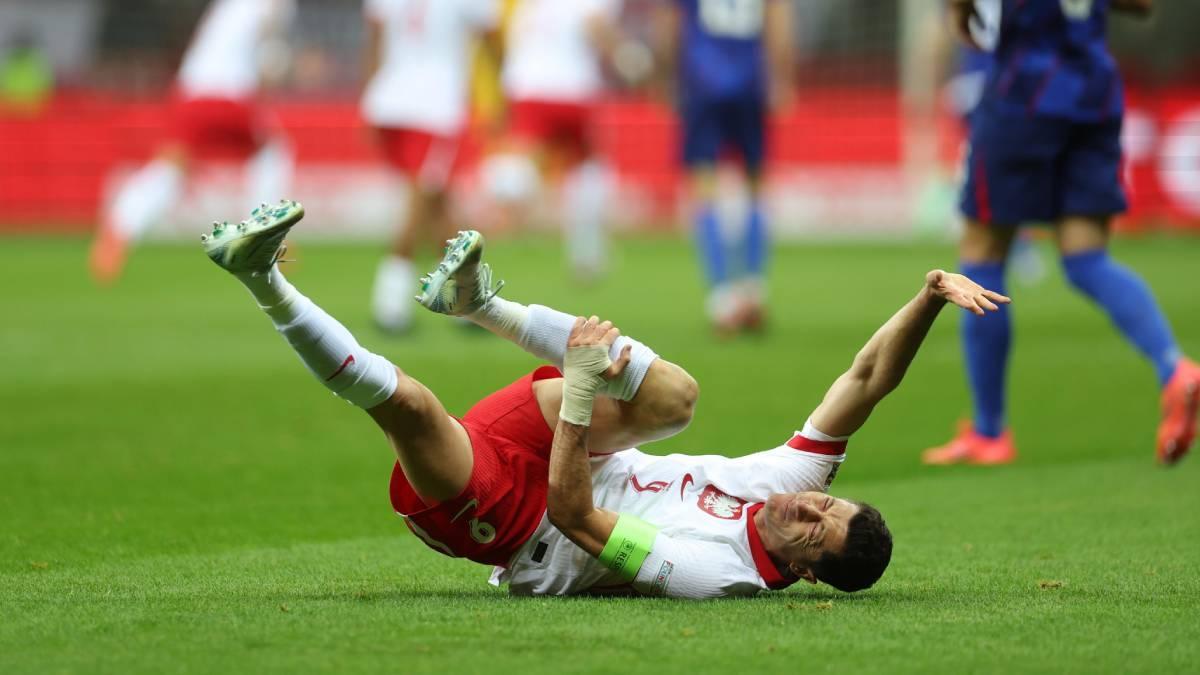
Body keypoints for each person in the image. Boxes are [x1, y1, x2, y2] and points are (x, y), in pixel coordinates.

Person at [201, 202, 1008, 597]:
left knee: (409, 405)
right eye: (829, 505)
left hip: (525, 528)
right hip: (578, 448)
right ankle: (478, 302)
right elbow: (865, 383)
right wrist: (930, 294)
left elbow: (576, 516)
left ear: (803, 570)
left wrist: (583, 387)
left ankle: (260, 275)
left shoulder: (716, 574)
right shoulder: (786, 488)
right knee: (678, 396)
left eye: (816, 531)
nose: (809, 508)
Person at [924, 0, 1198, 467]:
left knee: (982, 253)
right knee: (1087, 257)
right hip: (1095, 91)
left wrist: (958, 12)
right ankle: (1174, 367)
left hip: (1024, 91)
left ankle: (990, 432)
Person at [90, 0, 295, 285]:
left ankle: (120, 227)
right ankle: (265, 235)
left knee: (171, 167)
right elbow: (268, 44)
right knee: (271, 152)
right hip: (230, 94)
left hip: (191, 93)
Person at [654, 0, 793, 335]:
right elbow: (779, 22)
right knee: (756, 183)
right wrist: (782, 78)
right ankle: (754, 289)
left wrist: (666, 78)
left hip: (703, 83)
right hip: (750, 83)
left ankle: (722, 298)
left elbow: (669, 27)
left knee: (704, 188)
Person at [361, 0, 499, 334]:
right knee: (422, 200)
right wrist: (500, 89)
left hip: (389, 99)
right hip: (434, 105)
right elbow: (493, 35)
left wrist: (368, 94)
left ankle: (469, 301)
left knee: (437, 201)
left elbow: (375, 36)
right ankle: (389, 303)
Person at [485, 0, 625, 281]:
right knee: (587, 165)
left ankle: (500, 213)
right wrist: (626, 57)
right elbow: (595, 25)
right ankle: (587, 251)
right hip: (572, 86)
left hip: (525, 85)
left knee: (521, 159)